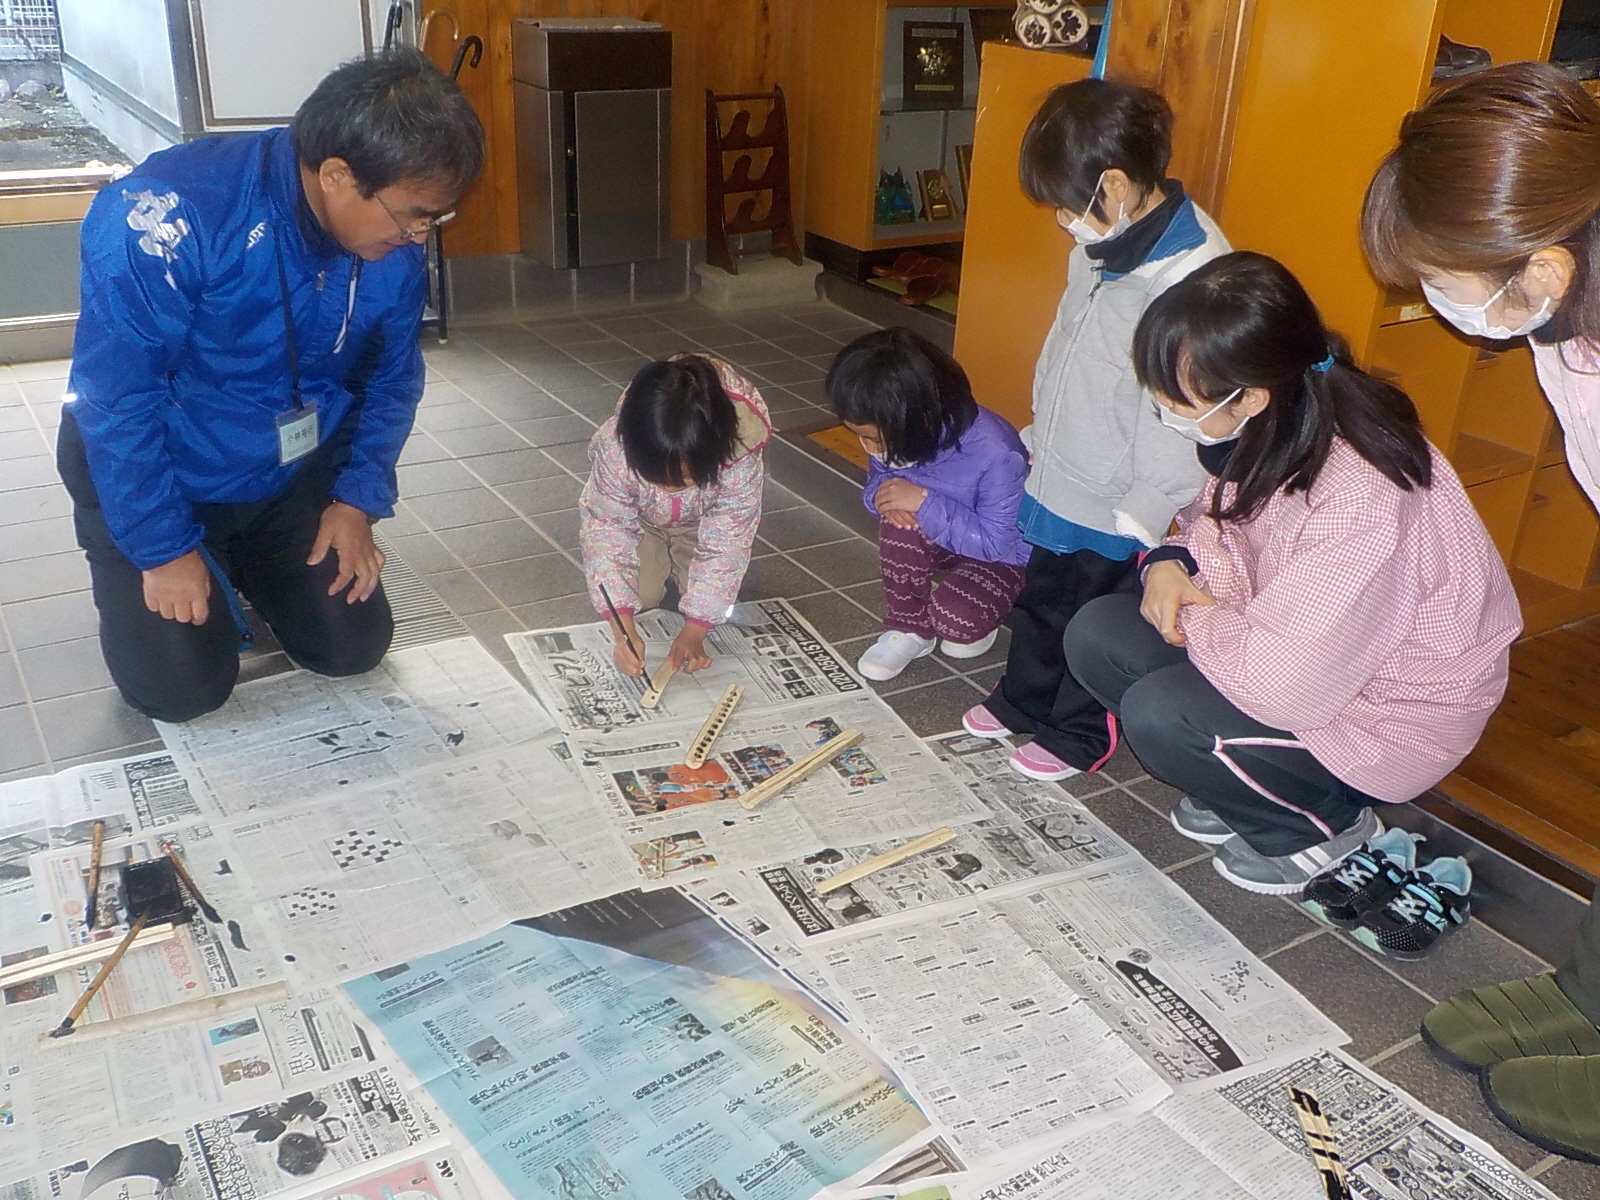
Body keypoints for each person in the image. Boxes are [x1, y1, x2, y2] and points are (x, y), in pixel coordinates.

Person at [1064, 251, 1520, 899]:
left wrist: (1190, 609)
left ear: (1250, 395)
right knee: (1098, 633)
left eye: (1177, 398)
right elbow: (1212, 522)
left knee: (1162, 713)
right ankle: (1246, 784)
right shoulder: (1278, 419)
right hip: (1295, 657)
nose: (1164, 408)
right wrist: (1172, 561)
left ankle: (1324, 827)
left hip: (1379, 718)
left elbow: (1284, 690)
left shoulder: (1362, 490)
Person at [59, 49, 483, 723]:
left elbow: (391, 380)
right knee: (182, 691)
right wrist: (163, 549)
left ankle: (244, 567)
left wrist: (355, 501)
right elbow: (117, 402)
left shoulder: (391, 250)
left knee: (353, 645)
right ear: (338, 176)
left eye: (435, 217)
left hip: (283, 473)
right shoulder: (165, 219)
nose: (418, 236)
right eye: (412, 214)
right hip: (164, 470)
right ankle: (153, 556)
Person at [1360, 60, 1600, 1162]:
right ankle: (1592, 995)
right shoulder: (1565, 307)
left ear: (1541, 264)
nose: (1436, 303)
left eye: (1445, 282)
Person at [959, 79, 1231, 781]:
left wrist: (1149, 504)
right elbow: (1068, 347)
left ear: (1113, 184)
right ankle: (1023, 698)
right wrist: (1041, 433)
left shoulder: (1192, 278)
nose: (1063, 221)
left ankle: (1078, 732)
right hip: (1064, 467)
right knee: (1043, 593)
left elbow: (1184, 415)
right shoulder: (1098, 245)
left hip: (1121, 495)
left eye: (1065, 204)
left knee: (1094, 615)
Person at [823, 328, 1030, 681]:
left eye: (874, 438)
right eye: (859, 436)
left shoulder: (998, 452)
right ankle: (909, 628)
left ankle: (982, 618)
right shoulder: (896, 430)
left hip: (1001, 557)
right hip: (945, 535)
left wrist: (923, 501)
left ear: (920, 418)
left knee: (955, 623)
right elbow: (878, 483)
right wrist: (882, 498)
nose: (869, 448)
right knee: (898, 522)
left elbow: (997, 543)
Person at [580, 353, 769, 676]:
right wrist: (622, 630)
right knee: (642, 596)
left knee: (711, 601)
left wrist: (695, 632)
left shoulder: (739, 462)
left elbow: (728, 544)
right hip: (641, 520)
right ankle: (657, 560)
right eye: (655, 476)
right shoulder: (616, 449)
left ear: (716, 452)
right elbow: (607, 530)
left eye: (684, 478)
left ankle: (683, 571)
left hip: (701, 523)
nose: (670, 488)